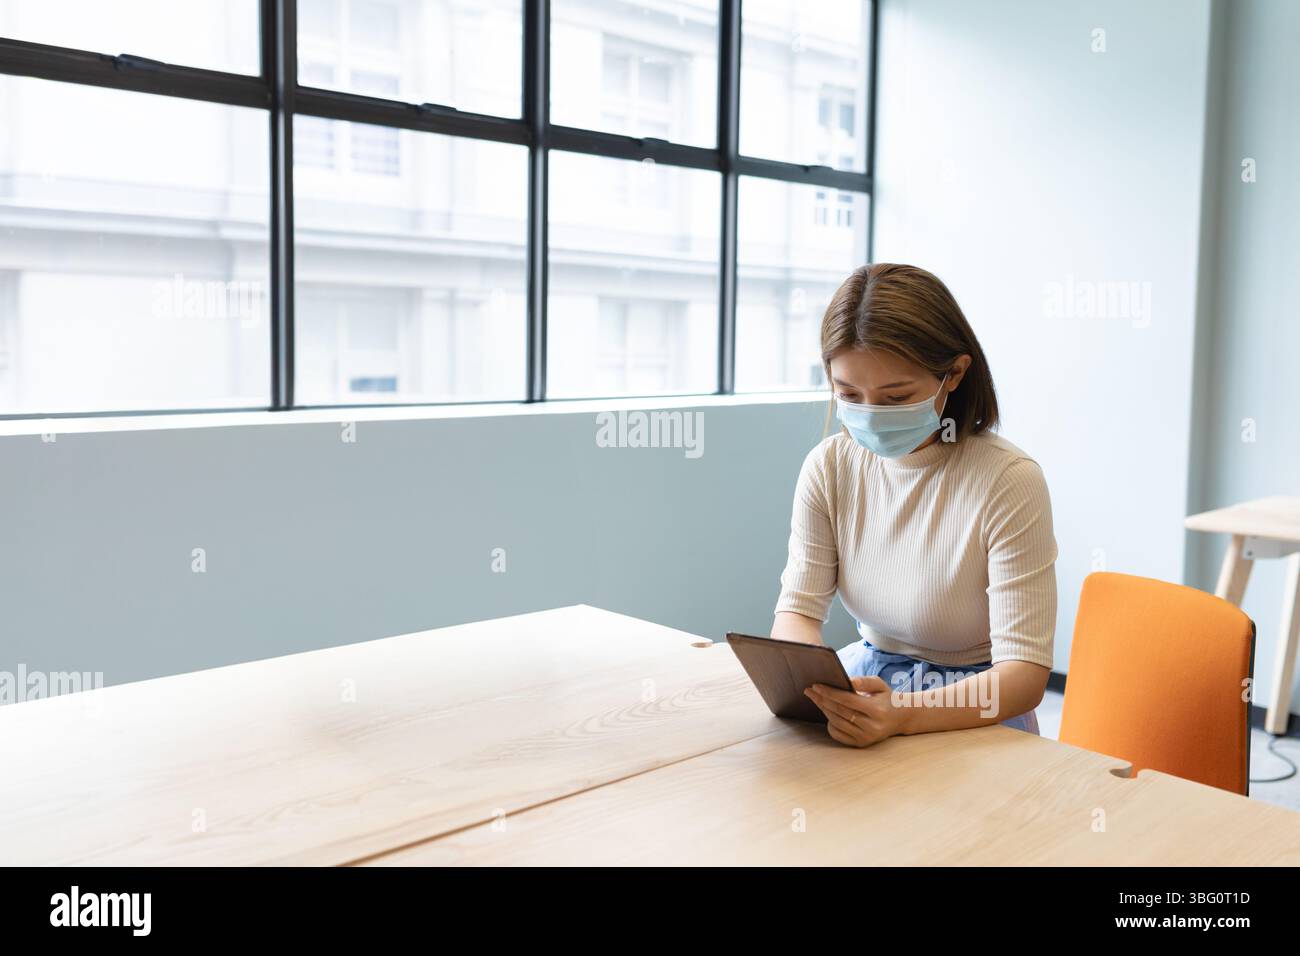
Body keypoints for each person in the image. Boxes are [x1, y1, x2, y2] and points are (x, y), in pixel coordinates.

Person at [772, 263, 1058, 748]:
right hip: (872, 691)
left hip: (973, 707)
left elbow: (1023, 676)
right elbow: (796, 613)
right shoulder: (829, 468)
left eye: (895, 396)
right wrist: (812, 685)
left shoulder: (1008, 481)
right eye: (849, 394)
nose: (870, 415)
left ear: (955, 374)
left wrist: (902, 714)